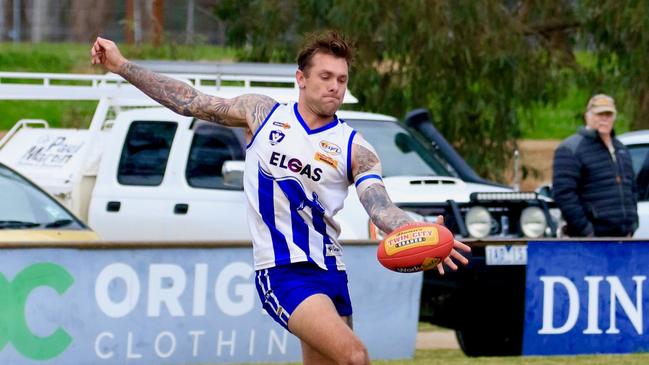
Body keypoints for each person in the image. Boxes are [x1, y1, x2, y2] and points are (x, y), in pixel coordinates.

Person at [91, 30, 470, 365]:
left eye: (341, 79)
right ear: (300, 79)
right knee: (355, 356)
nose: (335, 86)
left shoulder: (356, 148)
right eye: (325, 76)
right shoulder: (262, 114)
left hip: (331, 272)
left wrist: (418, 229)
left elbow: (381, 208)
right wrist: (122, 65)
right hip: (283, 271)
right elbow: (190, 100)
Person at [552, 94, 638, 237]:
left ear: (614, 117)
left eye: (608, 114)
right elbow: (564, 194)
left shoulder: (622, 149)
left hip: (624, 240)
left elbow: (632, 190)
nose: (604, 118)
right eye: (599, 114)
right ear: (588, 116)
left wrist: (632, 224)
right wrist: (587, 231)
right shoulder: (570, 149)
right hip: (590, 243)